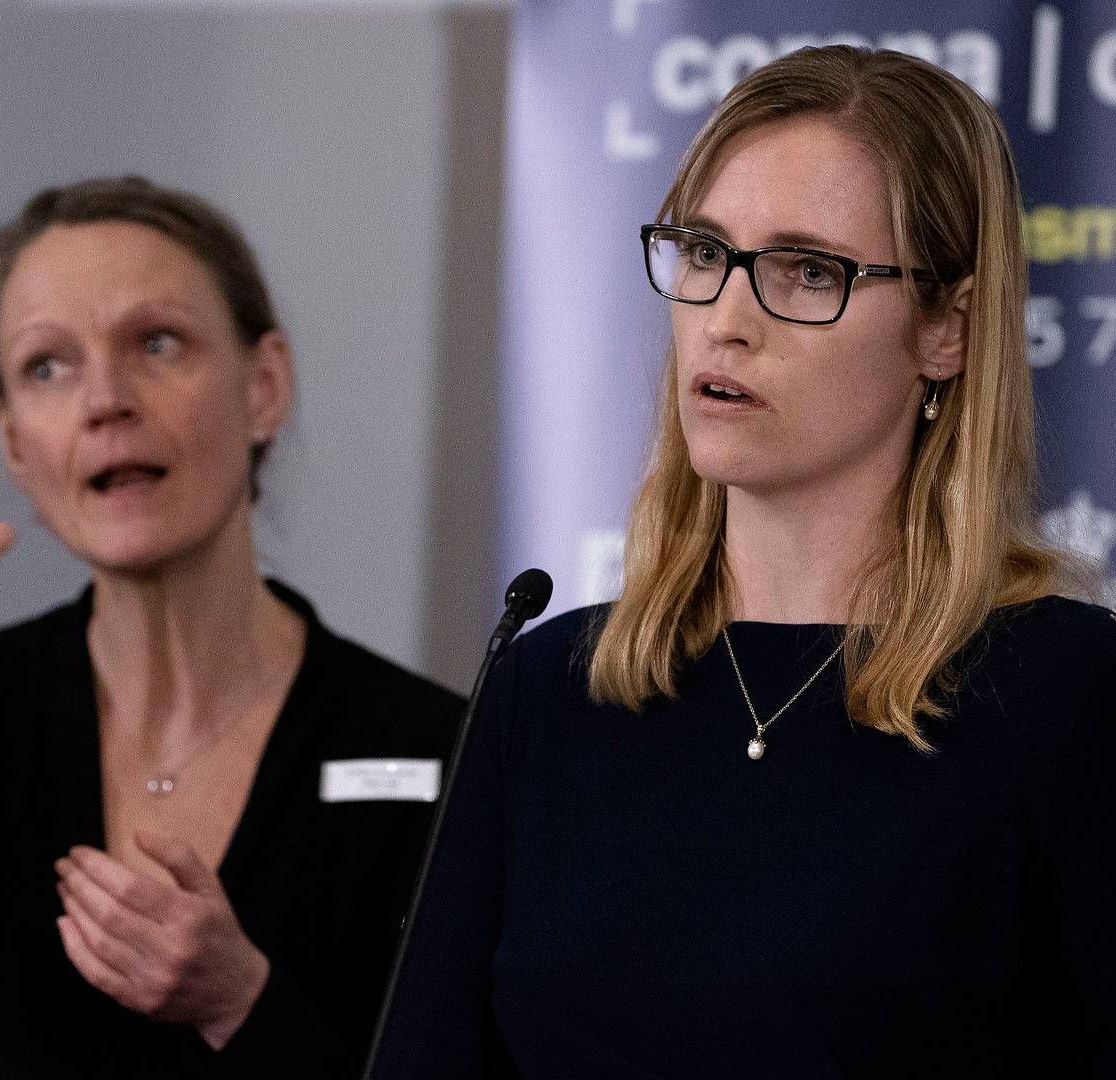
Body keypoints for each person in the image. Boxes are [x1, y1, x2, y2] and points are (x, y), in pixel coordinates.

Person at [368, 46, 1115, 1079]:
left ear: (947, 328)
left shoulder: (1067, 694)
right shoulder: (548, 691)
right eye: (707, 253)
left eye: (809, 270)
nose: (728, 319)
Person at [0, 178, 463, 1078]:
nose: (106, 398)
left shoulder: (430, 748)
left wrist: (241, 1005)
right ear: (14, 440)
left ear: (263, 387)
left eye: (158, 342)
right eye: (48, 368)